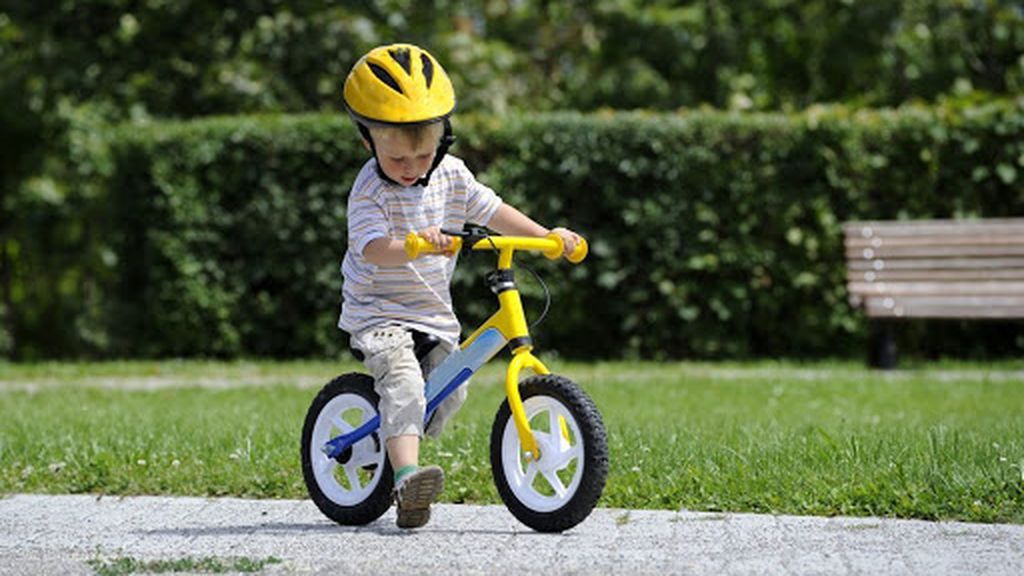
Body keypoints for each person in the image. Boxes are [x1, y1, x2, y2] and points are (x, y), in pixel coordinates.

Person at [338, 43, 583, 529]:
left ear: (443, 139)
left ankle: (397, 432)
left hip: (431, 313)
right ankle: (408, 480)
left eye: (423, 153)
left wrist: (546, 236)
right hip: (378, 311)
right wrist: (409, 245)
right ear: (368, 142)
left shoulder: (450, 173)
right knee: (407, 385)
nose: (411, 166)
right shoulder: (369, 190)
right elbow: (371, 248)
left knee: (450, 390)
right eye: (396, 157)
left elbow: (491, 210)